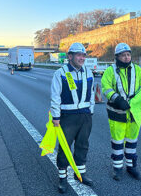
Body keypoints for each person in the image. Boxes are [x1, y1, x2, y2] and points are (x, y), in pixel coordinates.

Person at [50, 42, 95, 193]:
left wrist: (90, 111)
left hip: (85, 116)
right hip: (67, 117)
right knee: (64, 147)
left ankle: (80, 173)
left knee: (83, 145)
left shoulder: (88, 72)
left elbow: (92, 94)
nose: (82, 58)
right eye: (78, 55)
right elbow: (55, 97)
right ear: (70, 56)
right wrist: (56, 116)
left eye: (83, 55)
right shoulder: (60, 73)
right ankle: (62, 178)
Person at [101, 43, 141, 181]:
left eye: (128, 54)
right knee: (117, 142)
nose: (126, 57)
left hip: (134, 114)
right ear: (117, 57)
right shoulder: (110, 71)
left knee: (132, 141)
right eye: (123, 55)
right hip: (117, 113)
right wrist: (117, 99)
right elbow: (106, 87)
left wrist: (137, 101)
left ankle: (132, 167)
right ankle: (117, 168)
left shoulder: (137, 70)